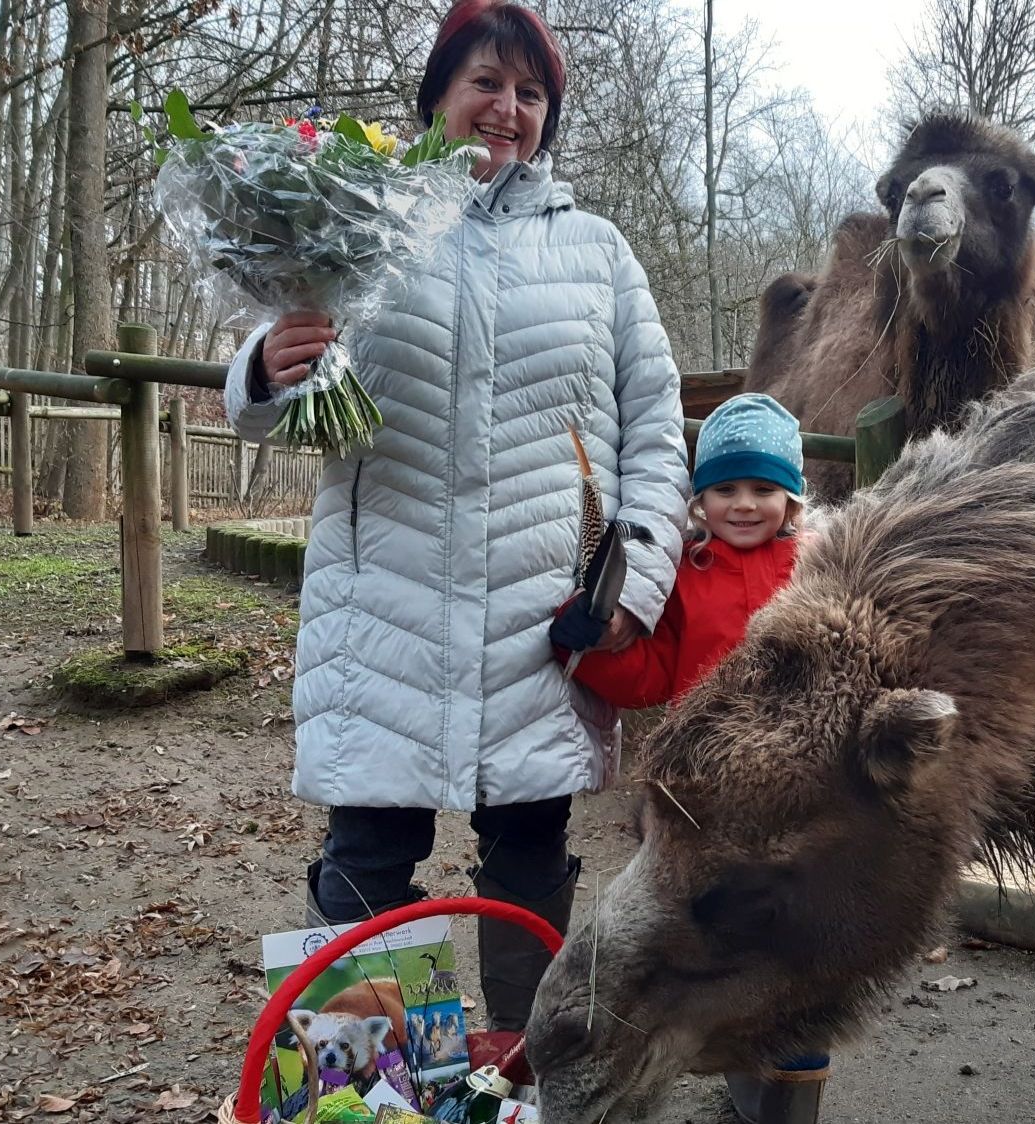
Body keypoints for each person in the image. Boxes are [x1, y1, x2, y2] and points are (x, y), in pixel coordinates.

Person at [222, 0, 690, 1043]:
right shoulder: (358, 223)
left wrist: (635, 587)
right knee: (366, 855)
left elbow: (656, 436)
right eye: (485, 82)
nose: (506, 109)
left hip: (541, 617)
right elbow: (267, 398)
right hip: (384, 605)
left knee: (528, 854)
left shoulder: (600, 253)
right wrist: (265, 365)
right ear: (438, 95)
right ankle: (360, 1086)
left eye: (530, 93)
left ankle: (526, 1072)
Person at [551, 392, 829, 1124]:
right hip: (695, 801)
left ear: (791, 497)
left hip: (799, 799)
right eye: (726, 489)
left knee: (797, 943)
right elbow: (649, 673)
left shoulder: (818, 570)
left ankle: (789, 1086)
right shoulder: (684, 576)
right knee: (695, 933)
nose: (745, 504)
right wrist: (579, 640)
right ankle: (695, 1053)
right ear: (699, 499)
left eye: (764, 489)